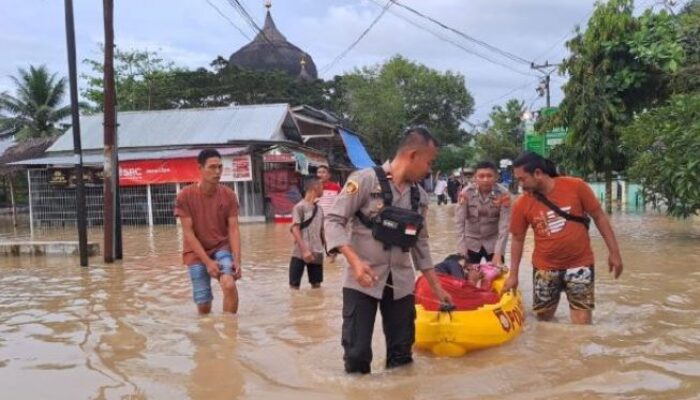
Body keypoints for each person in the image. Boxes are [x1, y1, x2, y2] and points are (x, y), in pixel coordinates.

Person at [324, 127, 452, 374]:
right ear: (413, 155)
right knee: (357, 355)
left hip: (401, 284)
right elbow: (333, 220)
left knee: (402, 355)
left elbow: (421, 244)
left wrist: (437, 289)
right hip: (361, 281)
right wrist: (355, 262)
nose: (429, 169)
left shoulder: (421, 197)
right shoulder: (363, 180)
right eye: (429, 162)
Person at [503, 152, 623, 325]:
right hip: (545, 268)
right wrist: (513, 275)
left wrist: (615, 253)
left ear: (538, 173)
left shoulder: (576, 187)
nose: (520, 185)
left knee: (582, 325)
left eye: (522, 179)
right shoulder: (522, 204)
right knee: (544, 322)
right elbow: (517, 239)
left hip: (580, 264)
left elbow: (599, 217)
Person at [174, 148, 242, 314]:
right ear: (200, 168)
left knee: (229, 284)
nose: (217, 171)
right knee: (203, 305)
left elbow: (233, 229)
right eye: (212, 167)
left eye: (220, 167)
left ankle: (230, 334)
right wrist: (207, 262)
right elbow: (188, 233)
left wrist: (237, 260)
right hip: (195, 252)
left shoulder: (229, 195)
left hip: (221, 247)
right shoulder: (185, 196)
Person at [456, 161, 511, 266]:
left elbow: (505, 226)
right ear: (475, 178)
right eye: (481, 176)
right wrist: (461, 250)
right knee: (467, 277)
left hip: (493, 243)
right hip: (470, 243)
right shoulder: (465, 193)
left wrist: (499, 252)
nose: (485, 179)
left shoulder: (504, 195)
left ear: (496, 177)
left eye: (489, 176)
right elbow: (459, 224)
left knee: (497, 275)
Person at [289, 179, 325, 289]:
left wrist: (329, 250)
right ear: (314, 188)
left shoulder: (319, 209)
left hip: (317, 251)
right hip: (300, 252)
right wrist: (305, 250)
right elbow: (295, 229)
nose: (323, 190)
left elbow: (322, 231)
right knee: (294, 286)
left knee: (317, 286)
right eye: (321, 187)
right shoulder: (299, 207)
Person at [316, 165, 342, 262]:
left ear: (329, 175)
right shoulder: (314, 187)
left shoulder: (335, 187)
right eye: (319, 172)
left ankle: (331, 253)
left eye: (323, 172)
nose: (321, 174)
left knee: (327, 234)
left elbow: (341, 202)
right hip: (317, 216)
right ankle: (327, 253)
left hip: (331, 216)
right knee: (319, 236)